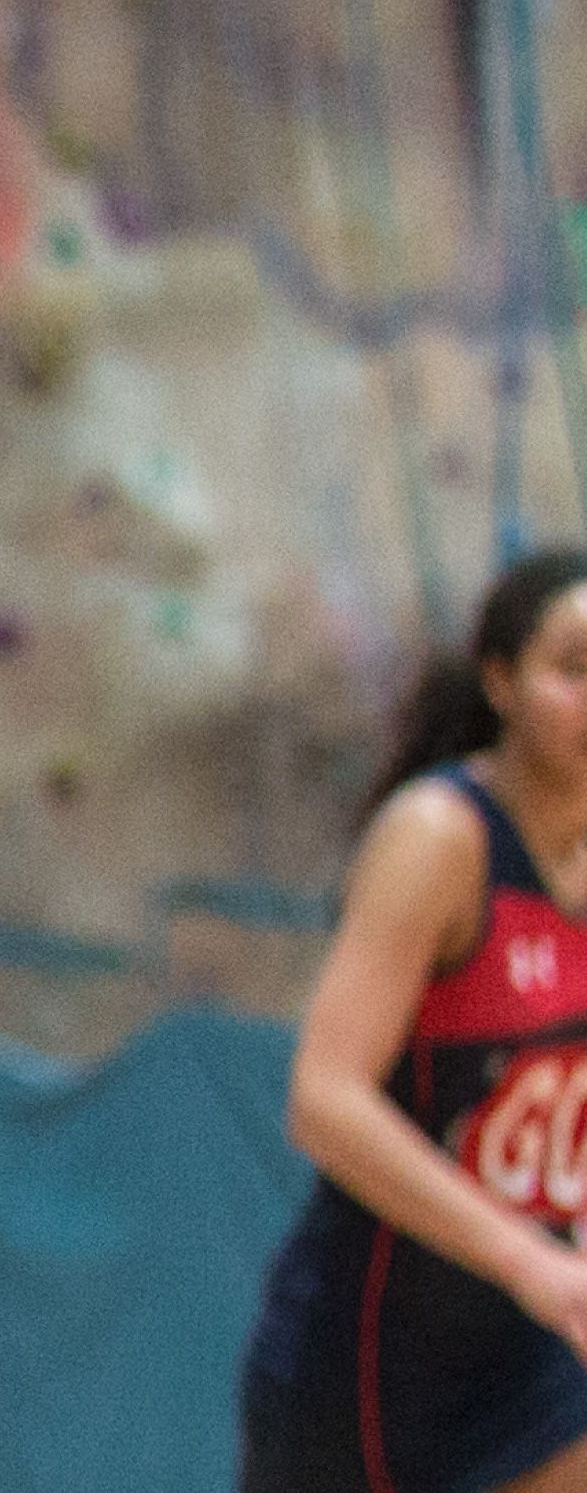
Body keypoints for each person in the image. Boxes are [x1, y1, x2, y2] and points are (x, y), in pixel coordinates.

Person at [243, 549, 587, 1493]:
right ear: (501, 680)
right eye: (574, 668)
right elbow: (322, 1100)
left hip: (534, 1356)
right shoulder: (441, 837)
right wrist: (525, 1256)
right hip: (371, 1354)